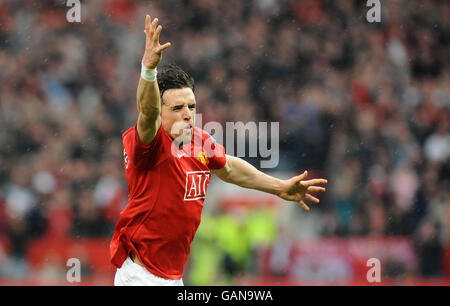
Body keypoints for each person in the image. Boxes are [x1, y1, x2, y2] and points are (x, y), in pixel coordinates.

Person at [110, 15, 328, 286]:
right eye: (177, 108)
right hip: (140, 277)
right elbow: (148, 110)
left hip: (172, 277)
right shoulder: (148, 143)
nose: (188, 114)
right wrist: (148, 70)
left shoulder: (198, 141)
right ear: (161, 112)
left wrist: (278, 187)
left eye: (191, 106)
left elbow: (228, 168)